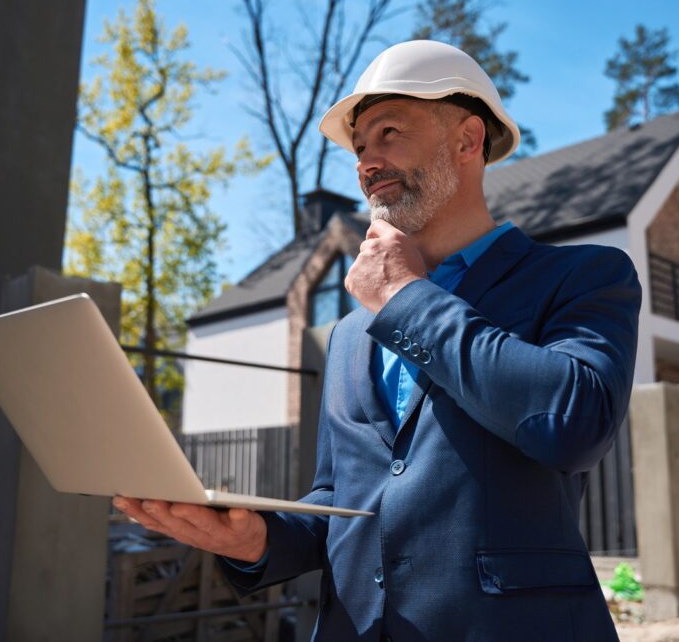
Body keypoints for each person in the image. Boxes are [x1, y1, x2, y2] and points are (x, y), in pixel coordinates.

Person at [114, 40, 641, 641]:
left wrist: (405, 297)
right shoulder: (348, 333)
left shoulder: (582, 277)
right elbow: (343, 498)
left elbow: (574, 421)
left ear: (468, 141)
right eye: (360, 146)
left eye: (390, 132)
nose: (368, 160)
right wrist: (257, 537)